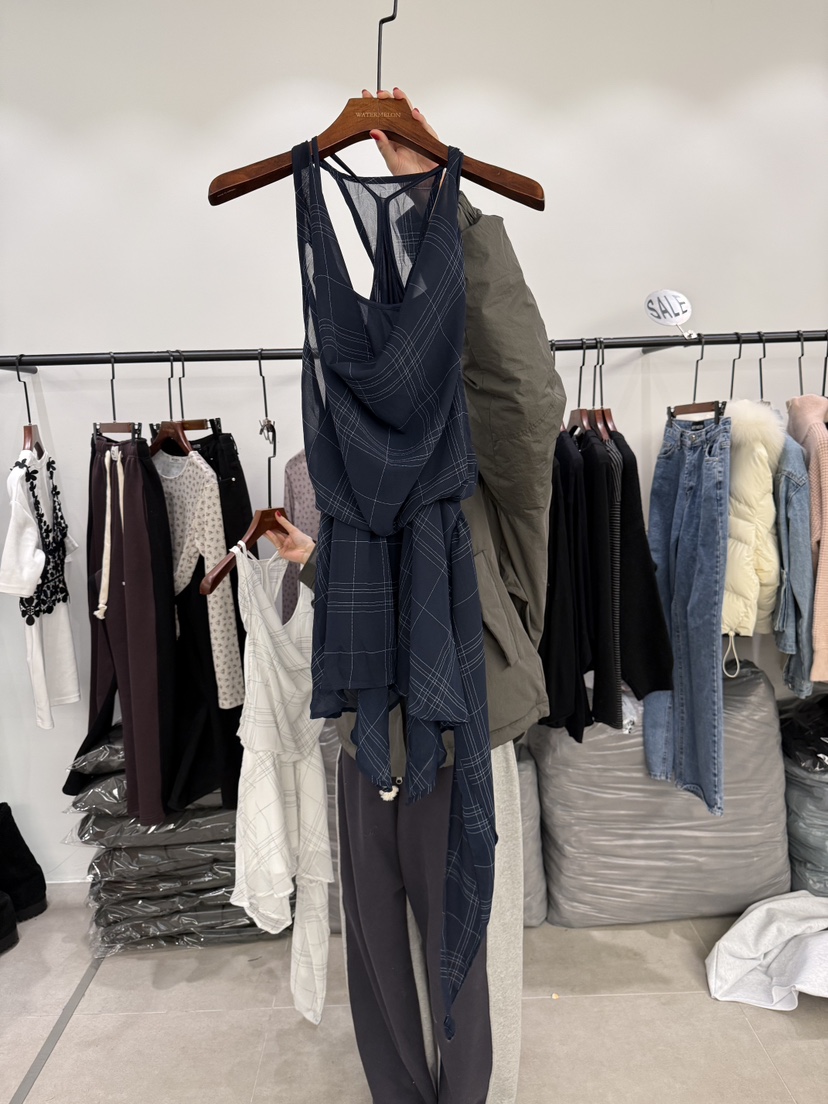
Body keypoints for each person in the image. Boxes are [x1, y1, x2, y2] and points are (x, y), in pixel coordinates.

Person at [270, 88, 565, 1104]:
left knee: (471, 971)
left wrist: (450, 208)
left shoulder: (491, 466)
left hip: (464, 727)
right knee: (381, 968)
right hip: (365, 732)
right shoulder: (349, 466)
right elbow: (378, 585)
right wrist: (315, 561)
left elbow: (524, 388)